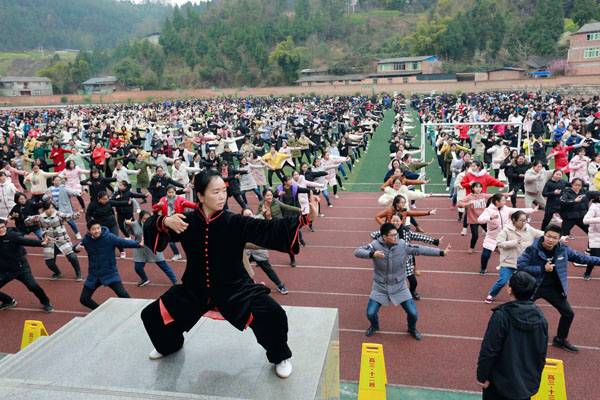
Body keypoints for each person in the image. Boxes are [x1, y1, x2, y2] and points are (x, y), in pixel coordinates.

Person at [140, 170, 315, 379]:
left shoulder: (235, 222)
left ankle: (280, 356)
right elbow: (150, 226)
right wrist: (165, 221)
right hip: (194, 288)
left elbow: (269, 228)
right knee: (151, 315)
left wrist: (305, 218)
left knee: (273, 314)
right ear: (200, 196)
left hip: (235, 288)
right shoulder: (186, 221)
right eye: (215, 192)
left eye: (223, 191)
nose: (222, 196)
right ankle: (170, 345)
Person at [354, 222, 449, 340]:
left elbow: (421, 249)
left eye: (396, 234)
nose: (396, 237)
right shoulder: (375, 245)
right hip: (380, 286)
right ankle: (374, 326)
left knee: (413, 313)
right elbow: (357, 251)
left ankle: (411, 328)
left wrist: (441, 252)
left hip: (400, 286)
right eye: (392, 235)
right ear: (384, 237)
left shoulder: (402, 245)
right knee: (370, 313)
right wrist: (372, 254)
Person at [517, 224, 600, 353]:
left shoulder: (563, 249)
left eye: (554, 238)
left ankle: (560, 339)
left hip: (553, 288)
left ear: (559, 239)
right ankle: (515, 338)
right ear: (544, 235)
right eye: (548, 236)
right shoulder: (532, 249)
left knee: (568, 313)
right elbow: (521, 266)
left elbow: (582, 258)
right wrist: (541, 268)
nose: (550, 240)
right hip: (534, 286)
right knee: (519, 312)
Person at [477, 271, 548, 400]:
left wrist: (482, 376)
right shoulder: (540, 318)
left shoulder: (501, 316)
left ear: (510, 289)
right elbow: (541, 352)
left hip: (499, 383)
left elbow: (489, 350)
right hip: (525, 384)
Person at [79, 220, 143, 309]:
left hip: (110, 273)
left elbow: (123, 242)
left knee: (123, 295)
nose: (97, 231)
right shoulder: (87, 240)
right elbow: (77, 246)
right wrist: (76, 248)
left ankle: (135, 310)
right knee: (84, 299)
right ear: (89, 231)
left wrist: (138, 244)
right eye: (93, 229)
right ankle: (99, 310)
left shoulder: (109, 237)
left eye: (98, 228)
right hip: (94, 275)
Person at [0, 219, 53, 312]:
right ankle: (8, 301)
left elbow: (26, 241)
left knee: (33, 286)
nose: (1, 230)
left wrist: (41, 243)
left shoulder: (13, 236)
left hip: (20, 268)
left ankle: (46, 302)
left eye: (2, 227)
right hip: (4, 270)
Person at [477, 194, 537, 275]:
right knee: (486, 254)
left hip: (504, 237)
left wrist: (532, 210)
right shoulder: (488, 210)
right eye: (503, 200)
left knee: (513, 253)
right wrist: (490, 217)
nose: (505, 202)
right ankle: (483, 268)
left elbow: (518, 210)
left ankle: (516, 268)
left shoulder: (506, 209)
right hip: (492, 237)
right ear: (497, 202)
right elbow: (480, 220)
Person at [25, 200, 82, 281]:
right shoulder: (41, 217)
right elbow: (26, 222)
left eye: (52, 207)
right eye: (49, 208)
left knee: (72, 257)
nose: (51, 210)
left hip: (62, 240)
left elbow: (69, 216)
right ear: (44, 209)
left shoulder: (58, 214)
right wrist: (33, 218)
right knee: (49, 262)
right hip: (49, 242)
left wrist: (77, 214)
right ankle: (57, 273)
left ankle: (78, 272)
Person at [241, 208, 288, 295]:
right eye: (246, 215)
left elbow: (268, 223)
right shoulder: (240, 226)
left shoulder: (258, 222)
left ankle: (280, 285)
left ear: (253, 215)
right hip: (246, 253)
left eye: (250, 214)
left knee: (268, 270)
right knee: (241, 269)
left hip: (259, 253)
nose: (248, 217)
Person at [124, 211, 178, 287]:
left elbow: (164, 231)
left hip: (153, 247)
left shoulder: (154, 224)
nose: (146, 220)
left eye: (148, 218)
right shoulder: (135, 224)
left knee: (164, 266)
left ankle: (175, 281)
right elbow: (130, 231)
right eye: (144, 219)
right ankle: (144, 279)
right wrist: (126, 224)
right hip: (140, 249)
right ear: (140, 218)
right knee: (138, 267)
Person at [583, 193, 600, 280]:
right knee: (595, 258)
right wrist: (598, 219)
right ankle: (587, 272)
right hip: (596, 236)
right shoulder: (594, 207)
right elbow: (585, 220)